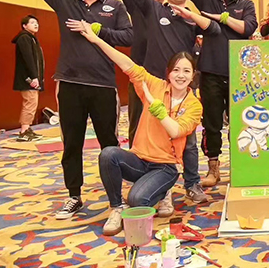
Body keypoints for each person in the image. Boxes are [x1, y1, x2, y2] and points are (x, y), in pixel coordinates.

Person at [0, 0, 133, 220]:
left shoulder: (115, 7)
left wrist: (95, 29)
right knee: (72, 144)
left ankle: (115, 198)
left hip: (103, 86)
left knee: (109, 145)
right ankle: (74, 196)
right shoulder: (65, 2)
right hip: (70, 84)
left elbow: (128, 36)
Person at [91, 0, 220, 209]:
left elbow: (215, 30)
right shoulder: (152, 9)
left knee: (187, 140)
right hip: (151, 86)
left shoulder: (192, 19)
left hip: (182, 86)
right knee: (144, 133)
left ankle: (191, 183)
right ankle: (158, 185)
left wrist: (191, 15)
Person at [141, 0, 258, 187]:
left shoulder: (246, 5)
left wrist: (222, 18)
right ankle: (213, 168)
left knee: (241, 122)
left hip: (240, 73)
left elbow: (248, 28)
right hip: (210, 72)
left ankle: (241, 166)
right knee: (211, 123)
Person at [74, 20, 201, 236]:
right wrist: (96, 40)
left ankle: (163, 189)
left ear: (193, 75)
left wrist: (156, 107)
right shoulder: (155, 85)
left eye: (186, 71)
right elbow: (126, 64)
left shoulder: (194, 105)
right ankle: (116, 207)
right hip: (139, 160)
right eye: (176, 70)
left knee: (137, 199)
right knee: (109, 154)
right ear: (168, 73)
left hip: (165, 167)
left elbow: (176, 131)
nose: (181, 75)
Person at [120, 0, 166, 148]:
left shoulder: (171, 13)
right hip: (139, 74)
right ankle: (135, 153)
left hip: (163, 76)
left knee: (163, 119)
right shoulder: (136, 9)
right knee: (137, 119)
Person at [12, 15, 45, 142]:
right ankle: (24, 131)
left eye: (37, 22)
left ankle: (27, 129)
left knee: (32, 103)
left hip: (32, 78)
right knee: (30, 103)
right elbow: (28, 59)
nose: (36, 25)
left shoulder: (31, 39)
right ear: (24, 26)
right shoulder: (24, 38)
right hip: (28, 78)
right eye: (32, 22)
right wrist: (34, 77)